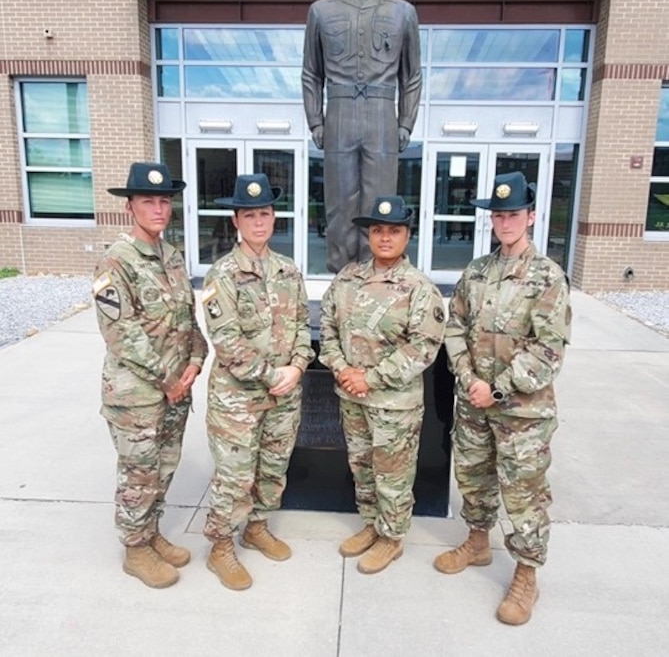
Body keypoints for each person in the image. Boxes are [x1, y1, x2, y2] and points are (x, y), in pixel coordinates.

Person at [434, 171, 571, 625]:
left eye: (513, 214)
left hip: (522, 414)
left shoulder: (548, 276)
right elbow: (454, 328)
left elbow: (548, 349)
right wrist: (470, 377)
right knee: (473, 479)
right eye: (498, 214)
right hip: (474, 405)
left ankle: (527, 574)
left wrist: (496, 388)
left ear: (530, 216)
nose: (505, 222)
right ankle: (477, 542)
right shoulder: (476, 272)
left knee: (524, 494)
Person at [93, 162, 208, 589]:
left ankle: (151, 532)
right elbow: (120, 332)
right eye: (149, 201)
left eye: (164, 201)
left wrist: (196, 360)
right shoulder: (115, 261)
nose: (159, 209)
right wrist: (167, 378)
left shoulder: (171, 256)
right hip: (138, 395)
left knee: (164, 466)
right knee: (138, 474)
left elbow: (188, 319)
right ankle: (135, 549)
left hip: (176, 389)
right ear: (130, 206)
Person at [319, 196, 445, 574]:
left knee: (393, 474)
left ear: (408, 235)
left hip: (394, 403)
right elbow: (327, 326)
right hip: (351, 396)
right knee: (362, 467)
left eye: (394, 230)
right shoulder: (348, 278)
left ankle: (392, 538)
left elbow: (423, 348)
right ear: (368, 235)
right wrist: (341, 368)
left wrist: (369, 378)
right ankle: (371, 525)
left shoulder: (419, 289)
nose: (385, 237)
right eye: (377, 230)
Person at [201, 173, 315, 591]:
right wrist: (272, 376)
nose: (259, 222)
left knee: (272, 469)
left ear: (274, 216)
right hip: (239, 401)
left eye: (264, 213)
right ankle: (220, 546)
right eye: (250, 214)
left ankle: (257, 526)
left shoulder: (287, 271)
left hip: (284, 397)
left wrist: (298, 368)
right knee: (234, 477)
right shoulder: (222, 275)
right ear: (236, 220)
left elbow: (304, 325)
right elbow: (227, 342)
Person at [302, 0, 422, 273]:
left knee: (378, 205)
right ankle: (341, 277)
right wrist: (316, 123)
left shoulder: (403, 12)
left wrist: (405, 124)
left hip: (382, 117)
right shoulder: (322, 11)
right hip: (338, 115)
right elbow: (311, 73)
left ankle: (377, 281)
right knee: (339, 204)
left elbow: (412, 76)